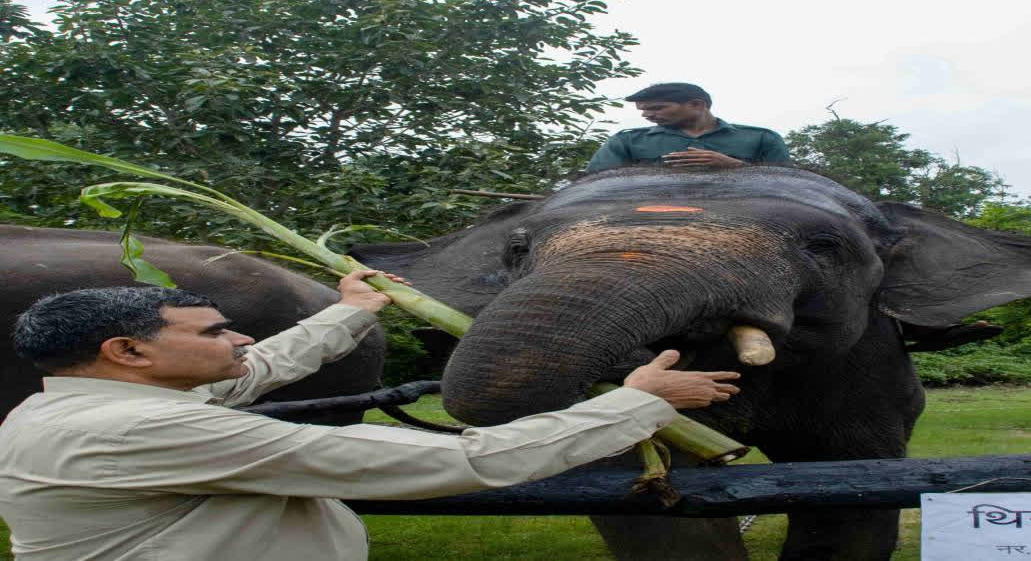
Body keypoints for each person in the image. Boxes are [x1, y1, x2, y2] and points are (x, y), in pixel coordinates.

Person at [0, 270, 740, 561]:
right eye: (214, 331)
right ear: (128, 349)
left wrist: (351, 313)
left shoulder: (76, 408)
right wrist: (639, 401)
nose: (240, 339)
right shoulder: (148, 427)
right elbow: (459, 461)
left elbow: (260, 368)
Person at [585, 82, 791, 172]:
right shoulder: (627, 140)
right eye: (643, 110)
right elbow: (594, 184)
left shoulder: (762, 138)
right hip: (648, 217)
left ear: (697, 105)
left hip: (745, 218)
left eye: (657, 108)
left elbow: (791, 186)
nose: (646, 115)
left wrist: (735, 166)